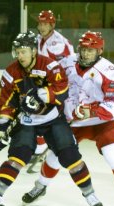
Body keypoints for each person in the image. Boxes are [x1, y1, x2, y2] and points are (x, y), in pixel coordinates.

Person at [0, 31, 103, 206]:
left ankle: (90, 194)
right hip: (26, 121)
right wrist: (1, 128)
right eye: (17, 52)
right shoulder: (10, 72)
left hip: (52, 118)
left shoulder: (50, 65)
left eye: (23, 51)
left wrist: (43, 95)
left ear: (33, 51)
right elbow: (6, 104)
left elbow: (62, 87)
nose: (20, 55)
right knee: (18, 158)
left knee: (71, 157)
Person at [22, 31, 114, 206]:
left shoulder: (110, 72)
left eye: (90, 50)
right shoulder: (66, 63)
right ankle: (41, 185)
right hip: (72, 121)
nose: (85, 54)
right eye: (83, 49)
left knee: (113, 153)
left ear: (99, 51)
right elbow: (51, 82)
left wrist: (90, 111)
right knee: (56, 155)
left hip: (101, 122)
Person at [30, 10, 76, 166]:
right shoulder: (37, 39)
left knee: (59, 120)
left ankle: (62, 151)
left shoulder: (59, 43)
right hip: (45, 85)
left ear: (52, 25)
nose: (41, 27)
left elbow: (66, 69)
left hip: (59, 87)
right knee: (38, 115)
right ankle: (41, 149)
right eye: (40, 23)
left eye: (45, 24)